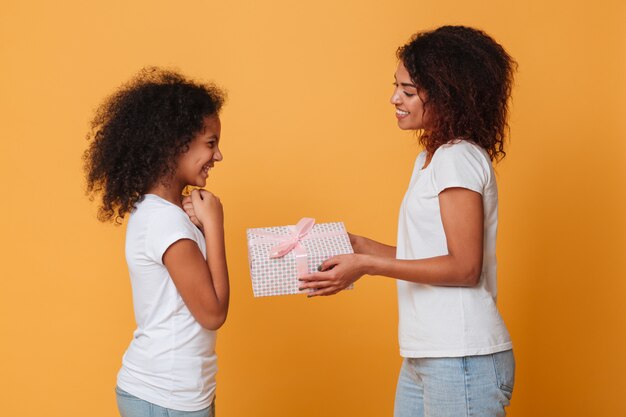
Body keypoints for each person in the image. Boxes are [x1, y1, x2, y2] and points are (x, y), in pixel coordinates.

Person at [299, 26, 517, 416]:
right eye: (396, 87)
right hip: (429, 355)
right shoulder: (430, 159)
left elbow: (465, 268)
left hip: (461, 356)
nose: (394, 98)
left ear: (448, 97)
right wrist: (361, 246)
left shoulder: (457, 159)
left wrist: (367, 265)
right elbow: (436, 257)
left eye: (409, 91)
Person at [84, 67, 229, 417]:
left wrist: (198, 225)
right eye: (211, 143)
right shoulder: (164, 221)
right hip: (164, 396)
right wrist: (215, 226)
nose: (219, 156)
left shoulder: (165, 214)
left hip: (175, 394)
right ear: (174, 145)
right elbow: (213, 313)